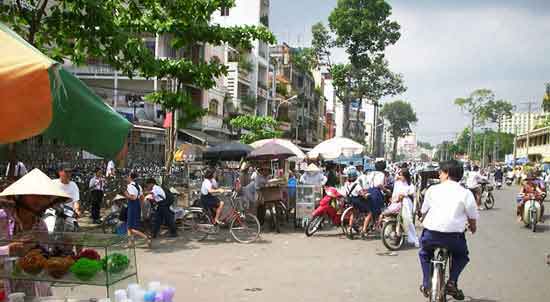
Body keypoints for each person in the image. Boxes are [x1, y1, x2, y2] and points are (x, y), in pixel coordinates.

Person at [0, 169, 71, 297]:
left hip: (34, 291)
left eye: (45, 196)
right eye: (34, 194)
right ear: (21, 195)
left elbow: (43, 262)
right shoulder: (2, 219)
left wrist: (59, 257)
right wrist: (7, 250)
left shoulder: (41, 226)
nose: (39, 200)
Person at [418, 160, 479, 300]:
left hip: (431, 235)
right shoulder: (466, 193)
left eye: (441, 172)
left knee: (424, 254)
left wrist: (423, 218)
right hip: (454, 237)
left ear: (447, 174)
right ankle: (452, 282)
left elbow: (423, 210)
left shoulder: (432, 189)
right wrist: (473, 227)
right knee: (462, 256)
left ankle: (427, 283)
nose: (439, 175)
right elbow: (472, 216)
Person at [378, 168, 419, 247]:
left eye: (401, 175)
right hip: (396, 202)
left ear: (405, 176)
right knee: (387, 214)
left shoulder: (410, 185)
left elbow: (412, 193)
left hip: (406, 203)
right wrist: (394, 199)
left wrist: (404, 195)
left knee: (408, 221)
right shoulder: (397, 183)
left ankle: (414, 239)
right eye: (399, 175)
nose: (400, 177)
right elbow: (394, 193)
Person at [124, 172, 151, 247]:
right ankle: (130, 243)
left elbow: (133, 197)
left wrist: (126, 194)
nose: (127, 178)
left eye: (128, 176)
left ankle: (146, 238)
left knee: (131, 227)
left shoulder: (129, 186)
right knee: (130, 226)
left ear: (130, 177)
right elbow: (142, 197)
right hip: (137, 206)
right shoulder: (138, 186)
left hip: (132, 206)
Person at [344, 169, 369, 237]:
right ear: (355, 176)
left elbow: (346, 193)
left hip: (350, 201)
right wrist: (366, 195)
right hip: (357, 201)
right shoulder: (357, 185)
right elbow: (362, 194)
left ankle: (350, 228)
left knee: (353, 214)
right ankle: (364, 230)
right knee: (369, 213)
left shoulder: (346, 184)